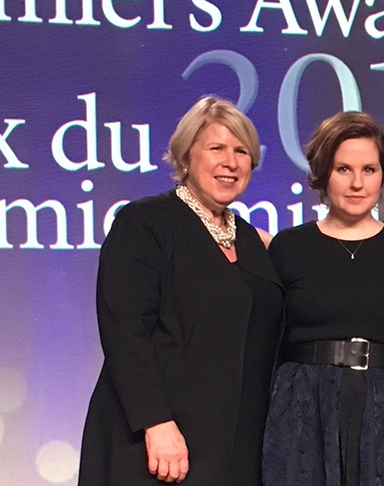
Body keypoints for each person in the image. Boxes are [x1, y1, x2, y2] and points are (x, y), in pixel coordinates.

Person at [78, 95, 284, 486]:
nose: (231, 162)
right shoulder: (146, 224)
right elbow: (126, 333)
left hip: (235, 449)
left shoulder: (257, 245)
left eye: (242, 151)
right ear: (186, 157)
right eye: (217, 148)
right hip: (158, 444)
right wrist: (156, 423)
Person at [262, 111, 384, 486]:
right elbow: (265, 341)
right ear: (322, 174)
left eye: (369, 169)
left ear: (383, 175)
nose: (356, 183)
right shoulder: (290, 247)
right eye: (343, 169)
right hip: (301, 409)